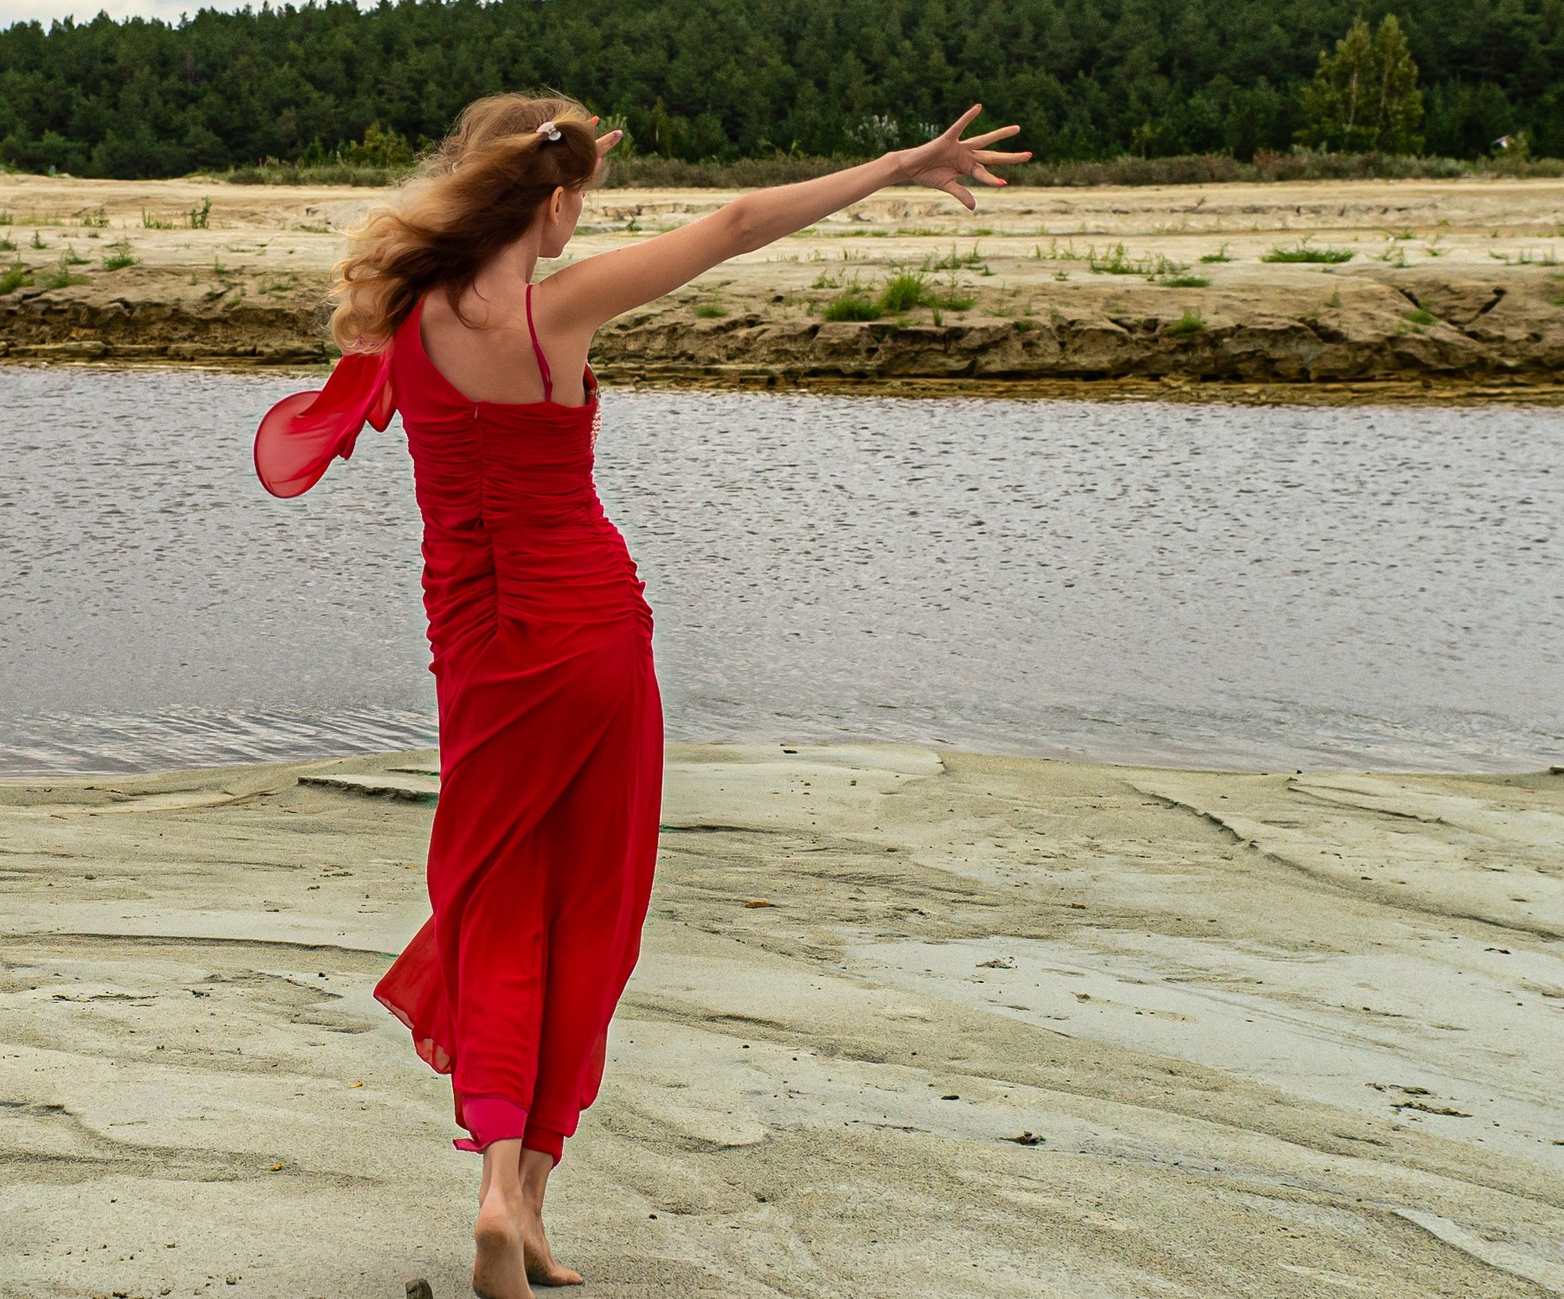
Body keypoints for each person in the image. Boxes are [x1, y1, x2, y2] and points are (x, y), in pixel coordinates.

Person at [254, 93, 1025, 1296]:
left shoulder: (402, 315)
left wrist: (546, 171)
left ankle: (504, 1190)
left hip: (477, 651)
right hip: (589, 635)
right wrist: (893, 163)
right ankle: (524, 1200)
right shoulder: (554, 308)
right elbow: (733, 225)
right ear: (554, 202)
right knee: (590, 907)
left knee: (498, 902)